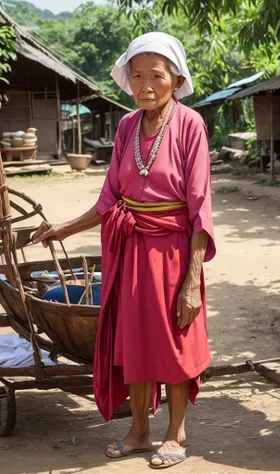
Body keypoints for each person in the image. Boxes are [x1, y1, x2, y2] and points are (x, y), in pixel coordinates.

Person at [33, 32, 215, 470]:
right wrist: (63, 228)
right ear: (127, 80)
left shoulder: (190, 124)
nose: (145, 84)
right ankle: (139, 431)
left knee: (173, 343)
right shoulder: (126, 126)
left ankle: (175, 434)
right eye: (137, 76)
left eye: (156, 75)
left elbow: (199, 209)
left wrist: (193, 278)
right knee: (133, 344)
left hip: (174, 250)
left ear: (176, 78)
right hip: (130, 251)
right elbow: (108, 199)